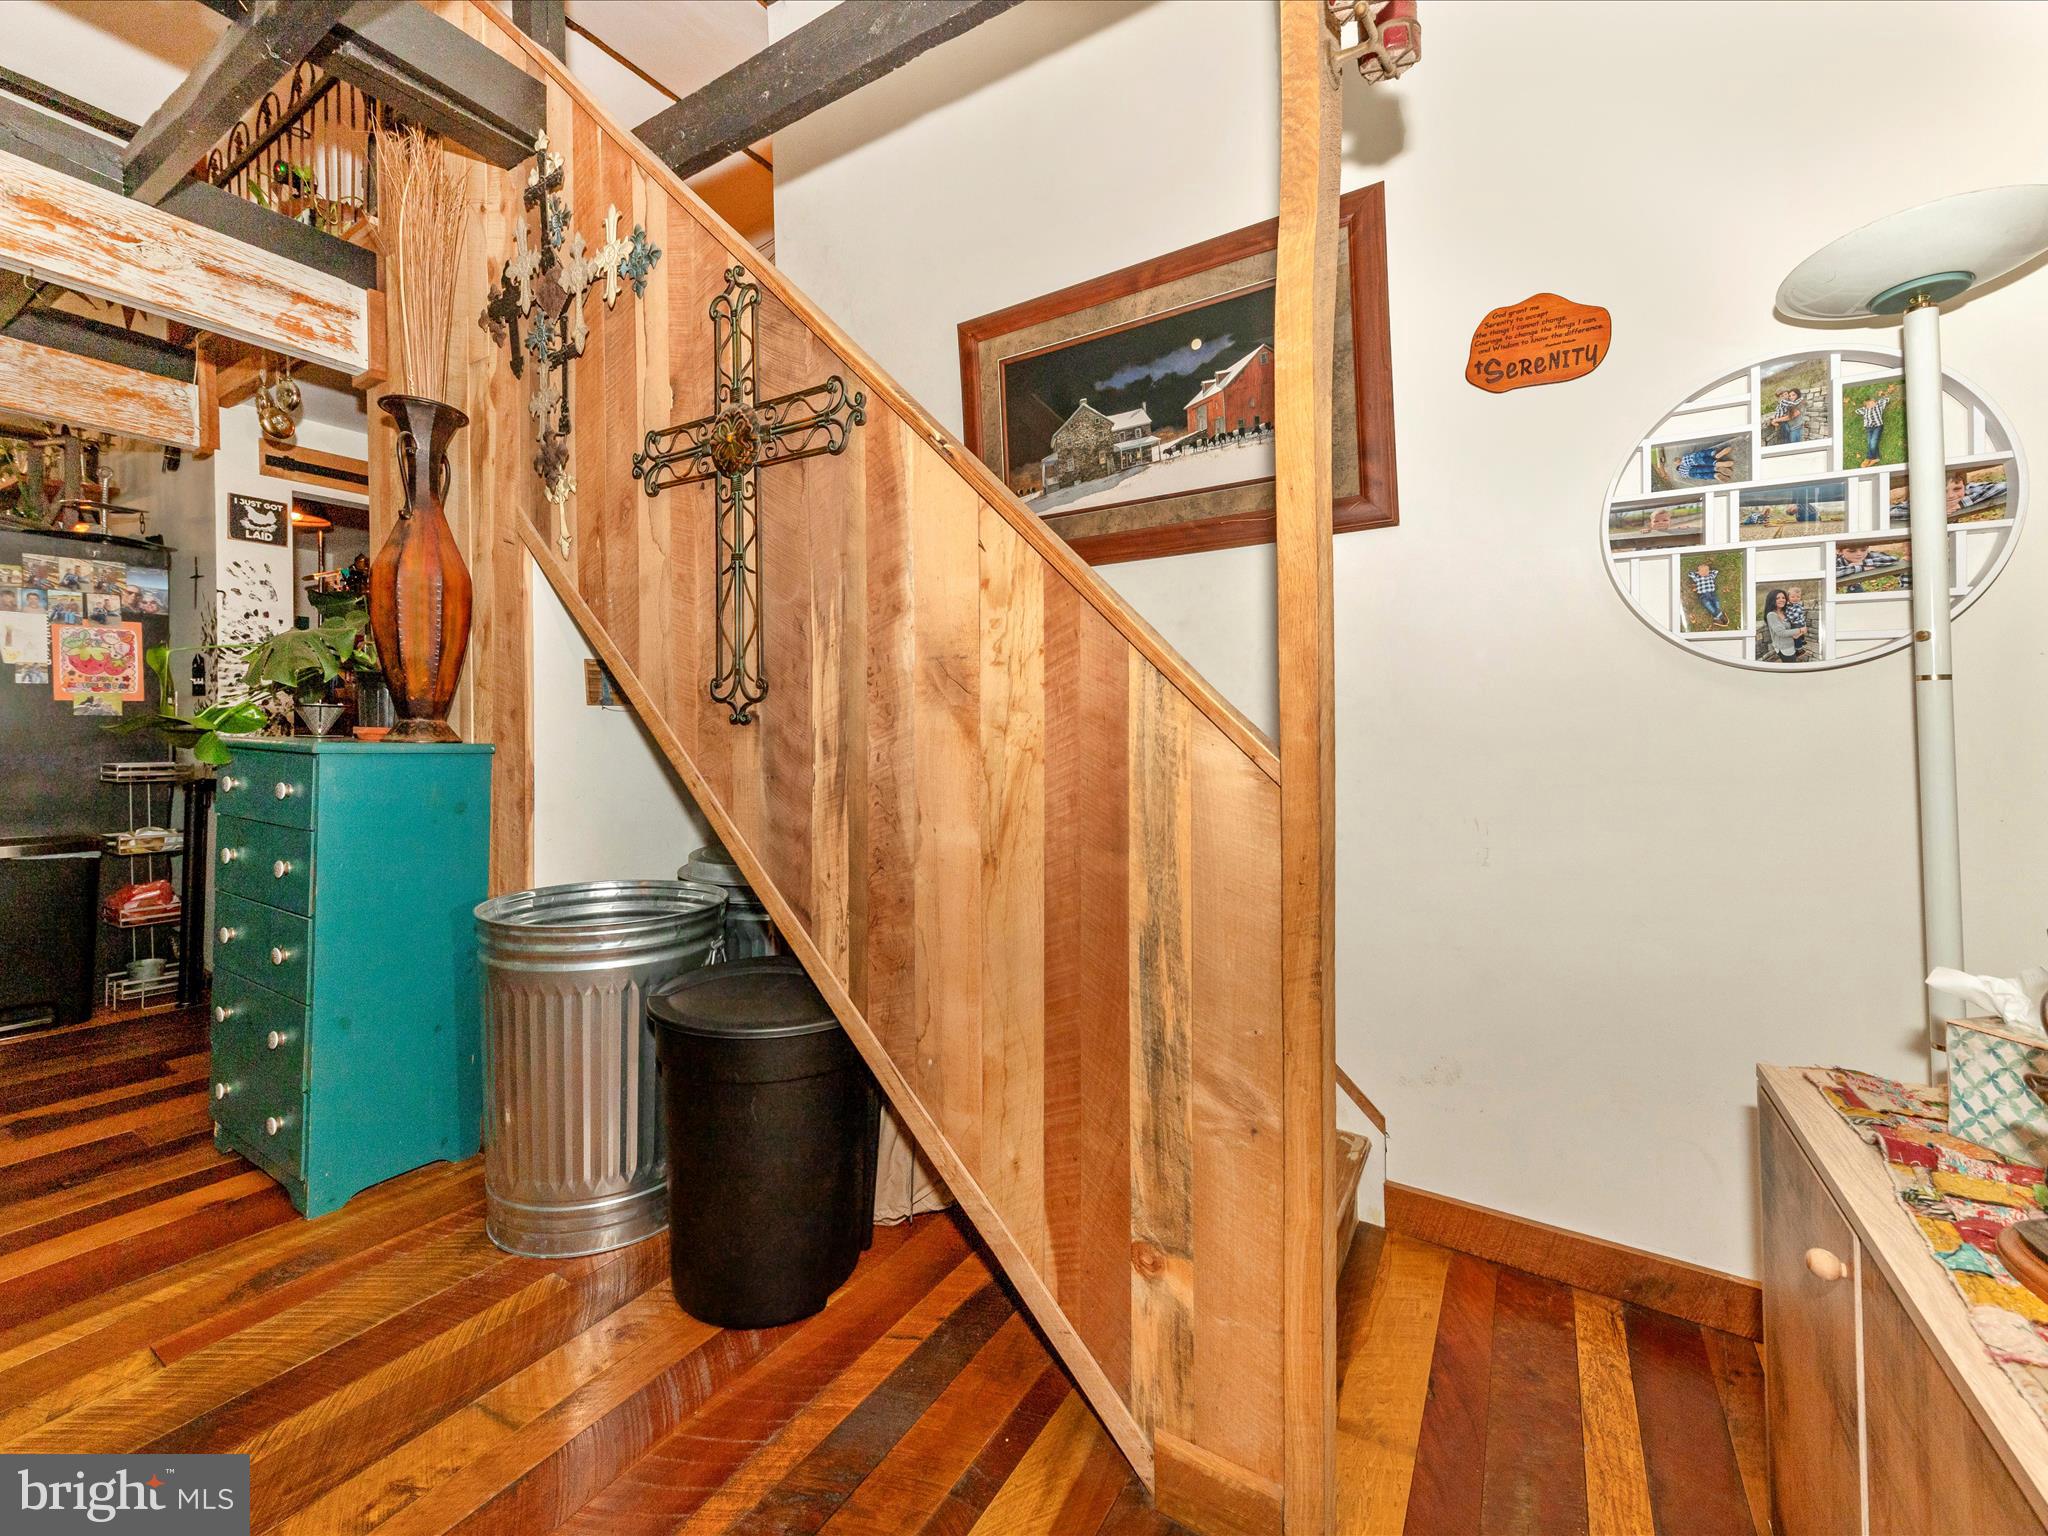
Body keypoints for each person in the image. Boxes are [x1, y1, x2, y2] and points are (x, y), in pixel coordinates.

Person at [1856, 384, 1897, 466]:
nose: (1871, 404)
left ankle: (1868, 458)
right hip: (1868, 428)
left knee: (1873, 442)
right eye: (1869, 404)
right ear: (1866, 405)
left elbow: (1887, 399)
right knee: (1870, 443)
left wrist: (1882, 396)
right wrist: (1865, 407)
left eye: (1873, 402)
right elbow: (1857, 411)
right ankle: (1876, 458)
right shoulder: (1865, 410)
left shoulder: (1879, 405)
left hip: (1877, 427)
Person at [1763, 587, 1805, 662]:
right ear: (1772, 600)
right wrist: (1800, 630)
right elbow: (1782, 633)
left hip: (1792, 644)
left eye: (1783, 598)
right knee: (1791, 666)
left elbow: (1797, 621)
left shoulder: (1785, 611)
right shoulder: (1772, 615)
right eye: (1777, 598)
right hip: (1784, 648)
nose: (1782, 600)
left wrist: (1800, 632)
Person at [1688, 559, 1726, 625]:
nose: (1704, 572)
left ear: (1708, 571)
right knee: (1710, 605)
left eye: (1706, 571)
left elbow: (1716, 571)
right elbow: (1690, 574)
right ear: (1699, 572)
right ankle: (1719, 616)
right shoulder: (1697, 578)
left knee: (1716, 602)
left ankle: (1717, 617)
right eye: (1702, 571)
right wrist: (1697, 573)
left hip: (1712, 593)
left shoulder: (1710, 576)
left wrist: (1708, 572)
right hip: (1704, 595)